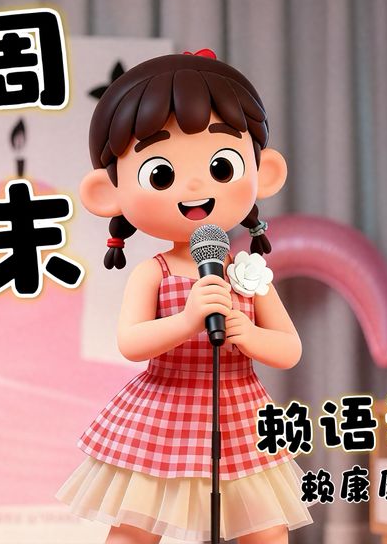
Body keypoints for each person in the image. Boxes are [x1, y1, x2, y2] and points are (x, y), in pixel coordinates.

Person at [56, 50, 314, 543]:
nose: (195, 186)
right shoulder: (151, 272)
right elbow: (132, 342)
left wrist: (247, 332)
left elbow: (289, 349)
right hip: (164, 412)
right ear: (108, 193)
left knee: (266, 532)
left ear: (265, 173)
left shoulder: (247, 272)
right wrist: (187, 319)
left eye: (221, 167)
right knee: (135, 531)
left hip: (240, 414)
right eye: (161, 173)